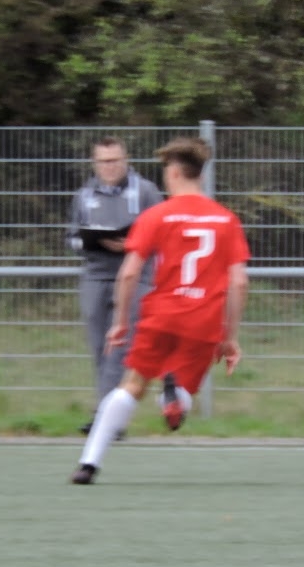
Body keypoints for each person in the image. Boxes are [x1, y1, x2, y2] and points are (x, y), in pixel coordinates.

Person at [70, 136, 251, 485]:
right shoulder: (226, 220)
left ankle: (88, 463)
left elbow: (129, 273)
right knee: (184, 390)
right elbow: (240, 282)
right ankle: (173, 397)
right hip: (204, 320)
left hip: (162, 314)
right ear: (201, 174)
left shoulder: (157, 215)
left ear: (173, 173)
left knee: (132, 385)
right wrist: (229, 337)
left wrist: (120, 323)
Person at [66, 136, 163, 435]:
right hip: (95, 276)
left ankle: (106, 418)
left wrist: (133, 243)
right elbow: (71, 238)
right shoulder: (84, 195)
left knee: (120, 348)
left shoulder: (145, 191)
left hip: (135, 278)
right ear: (94, 163)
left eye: (115, 161)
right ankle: (110, 418)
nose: (109, 167)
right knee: (99, 346)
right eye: (103, 162)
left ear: (126, 159)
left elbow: (163, 232)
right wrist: (96, 242)